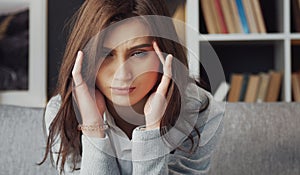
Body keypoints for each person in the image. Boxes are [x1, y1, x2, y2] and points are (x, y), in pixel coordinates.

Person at [39, 0, 224, 174]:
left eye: (138, 53)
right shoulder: (61, 113)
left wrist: (152, 131)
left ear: (165, 54)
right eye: (106, 54)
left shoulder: (200, 112)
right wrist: (93, 129)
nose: (122, 74)